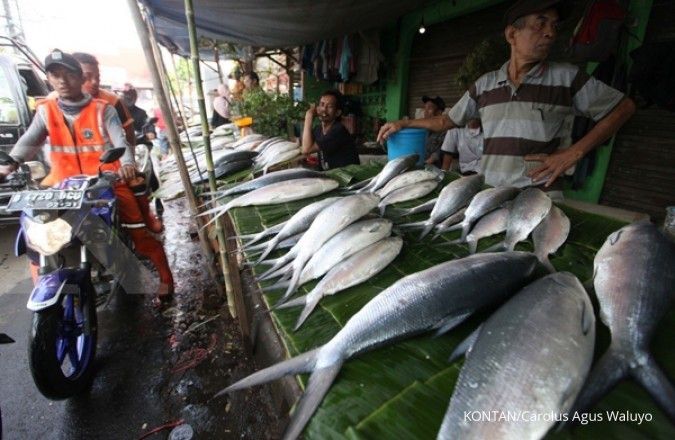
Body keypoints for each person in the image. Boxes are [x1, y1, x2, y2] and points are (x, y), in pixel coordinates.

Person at [378, 0, 635, 198]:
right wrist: (404, 124)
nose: (550, 33)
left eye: (554, 26)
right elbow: (446, 121)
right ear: (512, 34)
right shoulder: (485, 84)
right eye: (541, 23)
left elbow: (623, 107)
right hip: (491, 193)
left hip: (540, 197)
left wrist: (573, 153)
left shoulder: (566, 78)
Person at [0, 49, 174, 302]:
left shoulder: (105, 108)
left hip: (106, 182)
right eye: (55, 75)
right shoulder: (46, 110)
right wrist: (9, 165)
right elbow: (28, 142)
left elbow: (121, 141)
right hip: (62, 186)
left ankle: (166, 279)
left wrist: (125, 163)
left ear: (80, 78)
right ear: (48, 78)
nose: (62, 81)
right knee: (35, 238)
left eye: (68, 75)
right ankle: (45, 286)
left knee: (140, 234)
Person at [302, 89, 360, 170]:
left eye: (329, 106)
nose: (324, 109)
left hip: (347, 177)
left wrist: (309, 116)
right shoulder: (318, 130)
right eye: (322, 105)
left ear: (337, 113)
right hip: (329, 174)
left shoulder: (338, 130)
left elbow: (306, 149)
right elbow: (305, 144)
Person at [421, 95, 447, 166]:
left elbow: (443, 151)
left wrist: (429, 161)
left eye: (429, 108)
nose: (425, 112)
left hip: (433, 170)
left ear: (439, 112)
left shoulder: (445, 131)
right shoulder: (422, 129)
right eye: (424, 108)